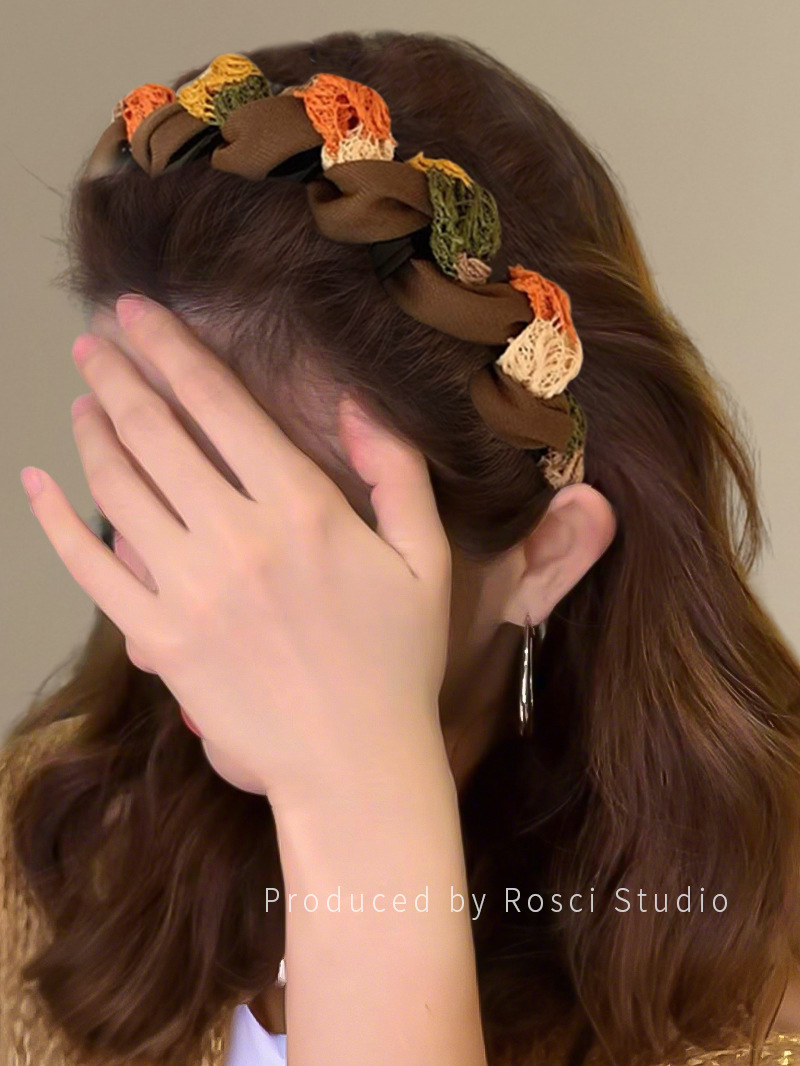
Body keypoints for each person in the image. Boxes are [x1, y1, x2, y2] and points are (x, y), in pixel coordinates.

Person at [3, 28, 800, 1066]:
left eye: (278, 540)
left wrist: (355, 794)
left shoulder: (754, 1001)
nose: (169, 618)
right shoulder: (50, 840)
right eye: (150, 502)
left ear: (545, 557)